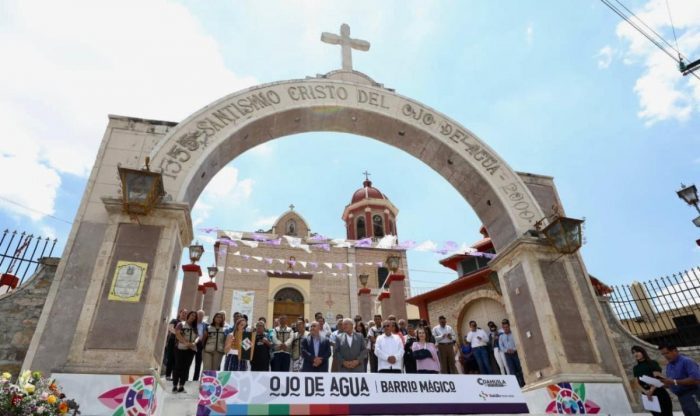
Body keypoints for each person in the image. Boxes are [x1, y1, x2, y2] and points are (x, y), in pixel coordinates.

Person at [655, 344, 700, 416]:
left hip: (693, 394)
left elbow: (696, 379)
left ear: (675, 351)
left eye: (667, 353)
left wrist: (674, 382)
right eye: (663, 354)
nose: (665, 356)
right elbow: (672, 383)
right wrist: (662, 384)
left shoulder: (687, 361)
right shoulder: (669, 366)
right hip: (681, 397)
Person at [631, 345, 673, 416]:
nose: (635, 354)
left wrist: (651, 391)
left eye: (637, 351)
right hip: (647, 395)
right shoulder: (636, 368)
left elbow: (657, 378)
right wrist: (646, 392)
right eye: (633, 353)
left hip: (658, 392)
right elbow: (636, 383)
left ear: (642, 352)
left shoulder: (652, 363)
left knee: (666, 413)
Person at [172, 311, 198, 393]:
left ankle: (182, 386)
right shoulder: (181, 324)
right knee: (178, 367)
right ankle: (175, 386)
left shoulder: (195, 327)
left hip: (191, 350)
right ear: (188, 315)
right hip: (180, 348)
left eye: (194, 316)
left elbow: (198, 337)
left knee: (186, 368)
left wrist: (194, 343)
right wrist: (185, 342)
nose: (193, 317)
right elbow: (177, 333)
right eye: (192, 315)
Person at [498, 319, 525, 387]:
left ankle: (523, 383)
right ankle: (517, 385)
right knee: (512, 370)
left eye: (507, 327)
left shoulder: (514, 334)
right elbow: (501, 346)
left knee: (519, 368)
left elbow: (518, 343)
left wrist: (514, 349)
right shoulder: (501, 336)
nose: (506, 329)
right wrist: (507, 350)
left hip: (515, 353)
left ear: (509, 326)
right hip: (507, 355)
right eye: (504, 327)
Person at [165, 308, 187, 380]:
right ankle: (168, 375)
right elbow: (170, 328)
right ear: (179, 313)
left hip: (181, 344)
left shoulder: (186, 324)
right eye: (183, 313)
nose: (184, 314)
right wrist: (178, 334)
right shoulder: (174, 320)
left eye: (185, 313)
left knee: (177, 361)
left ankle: (175, 376)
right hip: (172, 342)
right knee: (170, 359)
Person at [193, 309, 207, 381]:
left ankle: (195, 379)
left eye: (202, 315)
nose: (200, 316)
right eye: (199, 315)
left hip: (201, 345)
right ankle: (184, 378)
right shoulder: (192, 323)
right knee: (187, 362)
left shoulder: (206, 325)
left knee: (198, 363)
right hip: (192, 345)